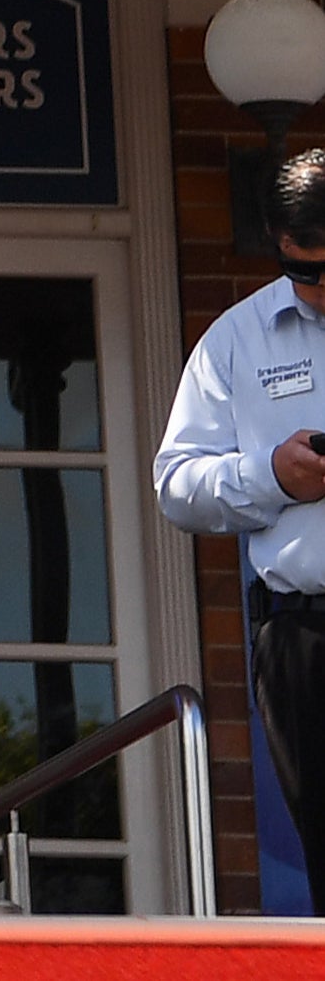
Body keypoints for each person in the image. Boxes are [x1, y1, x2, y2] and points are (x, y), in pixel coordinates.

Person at [155, 147, 325, 901]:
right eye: (306, 273)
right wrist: (269, 477)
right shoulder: (234, 339)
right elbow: (176, 483)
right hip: (303, 637)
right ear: (275, 245)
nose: (321, 291)